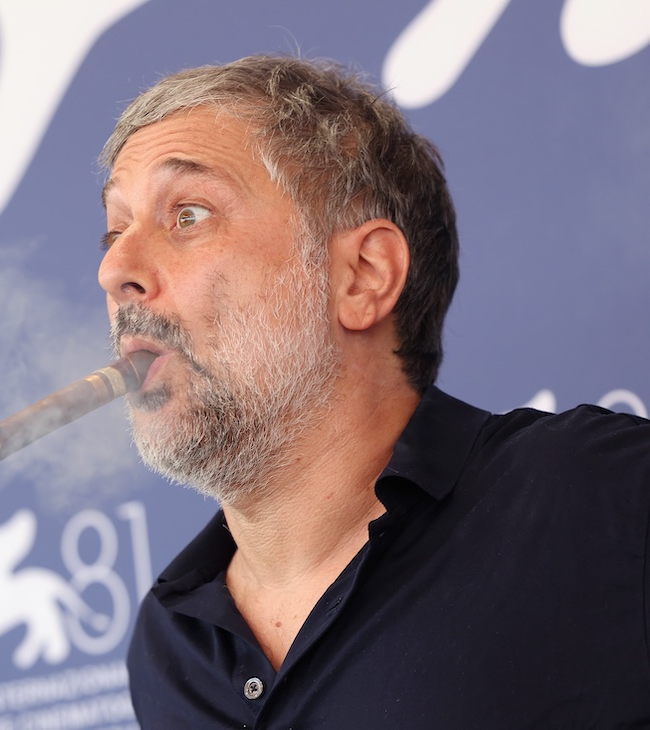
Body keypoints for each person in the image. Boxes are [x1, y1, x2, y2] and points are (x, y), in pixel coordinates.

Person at [97, 55, 650, 727]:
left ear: (362, 276)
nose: (114, 268)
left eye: (187, 214)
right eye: (114, 228)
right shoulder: (170, 650)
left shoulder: (600, 495)